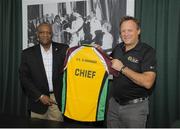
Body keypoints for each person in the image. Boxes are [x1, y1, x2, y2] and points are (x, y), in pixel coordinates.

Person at [106, 16, 157, 128]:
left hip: (135, 109)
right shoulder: (118, 48)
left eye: (130, 30)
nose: (126, 34)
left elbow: (148, 82)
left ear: (138, 31)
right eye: (123, 31)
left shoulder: (147, 51)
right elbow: (107, 64)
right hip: (113, 106)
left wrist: (123, 68)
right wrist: (97, 52)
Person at [19, 22, 69, 122]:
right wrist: (40, 96)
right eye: (42, 32)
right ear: (37, 35)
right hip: (37, 100)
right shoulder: (27, 53)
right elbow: (24, 78)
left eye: (48, 32)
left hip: (56, 100)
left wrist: (95, 50)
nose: (45, 35)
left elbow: (77, 59)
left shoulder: (63, 49)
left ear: (52, 34)